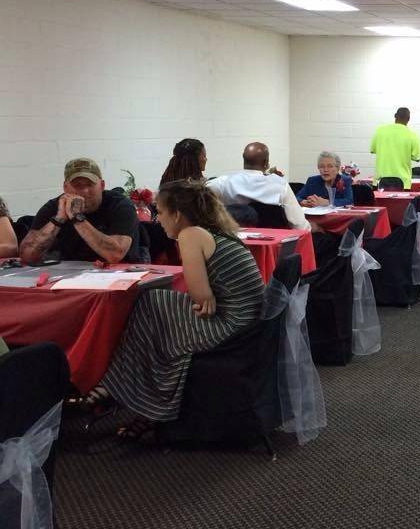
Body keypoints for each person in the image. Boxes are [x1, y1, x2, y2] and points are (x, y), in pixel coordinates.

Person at [87, 180, 264, 438]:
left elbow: (199, 295)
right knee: (155, 310)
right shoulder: (215, 232)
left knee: (151, 307)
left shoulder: (191, 234)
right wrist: (204, 296)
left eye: (159, 211)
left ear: (178, 214)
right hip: (249, 321)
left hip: (232, 325)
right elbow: (203, 296)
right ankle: (130, 394)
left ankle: (121, 389)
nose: (157, 219)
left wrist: (204, 296)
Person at [19, 158, 140, 264]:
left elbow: (115, 254)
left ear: (102, 185)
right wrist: (58, 219)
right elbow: (27, 255)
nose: (85, 191)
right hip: (69, 274)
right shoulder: (54, 207)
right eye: (77, 185)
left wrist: (77, 217)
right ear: (65, 187)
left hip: (119, 275)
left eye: (90, 184)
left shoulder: (120, 205)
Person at [206, 142, 309, 231]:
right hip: (275, 243)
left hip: (237, 240)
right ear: (266, 163)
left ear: (243, 159)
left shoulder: (223, 182)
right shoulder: (279, 184)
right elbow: (298, 224)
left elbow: (199, 191)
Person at [370, 107, 420, 190]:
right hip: (402, 183)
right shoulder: (412, 135)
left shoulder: (379, 131)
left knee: (380, 203)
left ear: (395, 116)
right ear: (409, 119)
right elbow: (416, 158)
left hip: (380, 181)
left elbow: (373, 150)